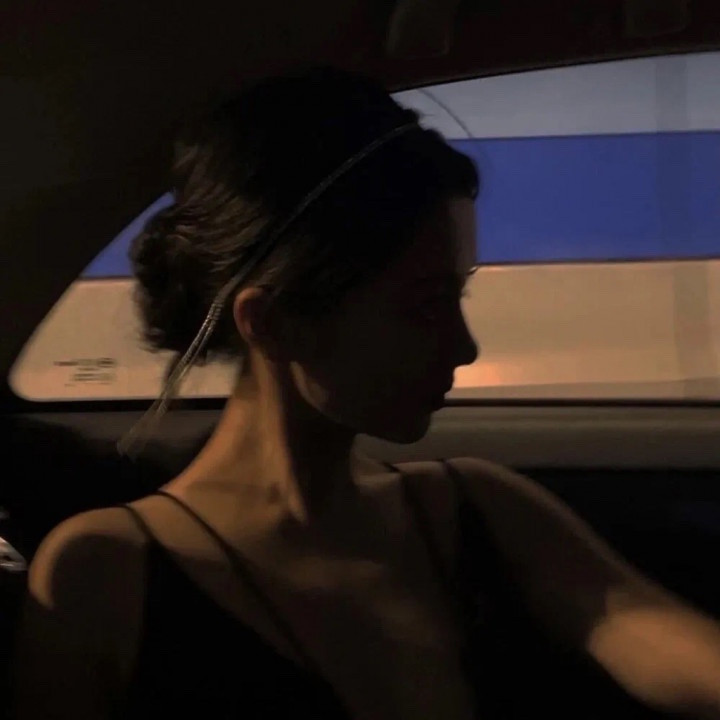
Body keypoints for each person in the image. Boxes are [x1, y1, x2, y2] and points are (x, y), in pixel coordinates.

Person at [12, 67, 720, 720]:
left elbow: (643, 628)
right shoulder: (106, 574)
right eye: (424, 305)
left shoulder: (479, 510)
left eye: (458, 296)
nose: (465, 347)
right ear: (274, 324)